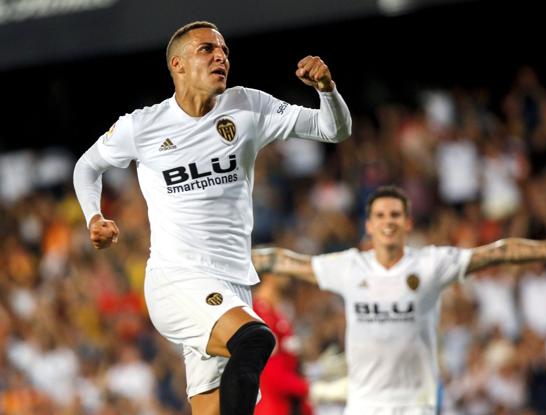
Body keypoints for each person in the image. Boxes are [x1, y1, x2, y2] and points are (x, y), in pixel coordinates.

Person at [73, 20, 351, 415]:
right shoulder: (143, 125)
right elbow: (87, 167)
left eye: (224, 51)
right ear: (178, 64)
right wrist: (94, 217)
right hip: (177, 277)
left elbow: (333, 130)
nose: (221, 56)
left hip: (234, 284)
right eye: (207, 49)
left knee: (215, 406)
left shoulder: (248, 106)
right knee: (255, 339)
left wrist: (328, 91)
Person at [252, 185, 546, 415]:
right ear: (368, 225)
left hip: (417, 404)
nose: (388, 221)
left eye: (395, 214)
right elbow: (281, 261)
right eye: (379, 215)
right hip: (364, 404)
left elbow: (498, 253)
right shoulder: (348, 267)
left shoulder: (432, 263)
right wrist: (218, 254)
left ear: (408, 222)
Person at [253, 273, 312, 415]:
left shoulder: (274, 313)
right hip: (269, 407)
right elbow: (269, 372)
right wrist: (308, 387)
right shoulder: (259, 315)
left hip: (286, 403)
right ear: (268, 275)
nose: (287, 271)